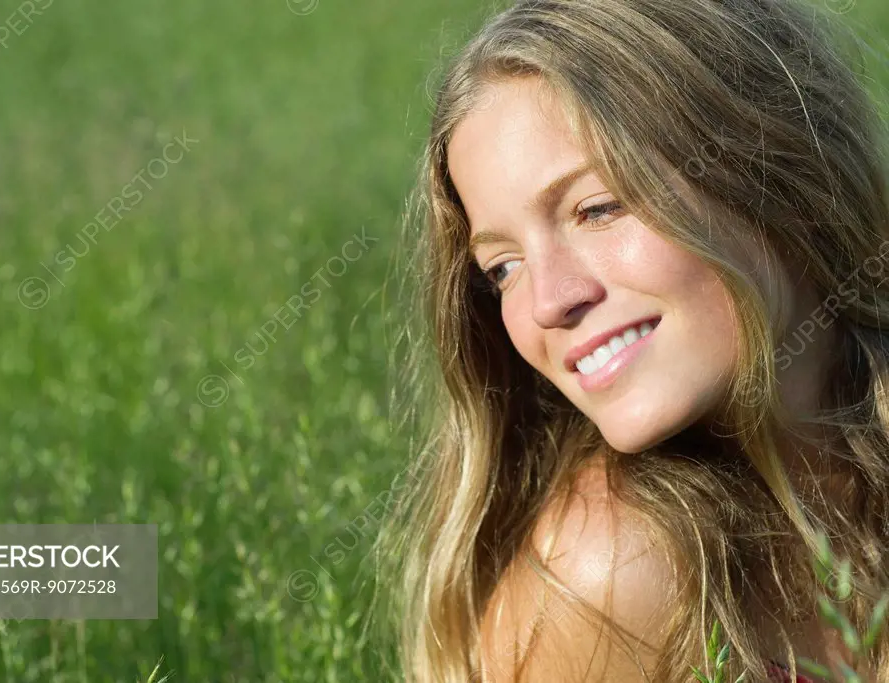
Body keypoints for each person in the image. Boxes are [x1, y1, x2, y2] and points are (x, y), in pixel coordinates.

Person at [376, 0, 889, 681]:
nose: (550, 302)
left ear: (774, 166)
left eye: (597, 208)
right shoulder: (610, 574)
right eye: (502, 267)